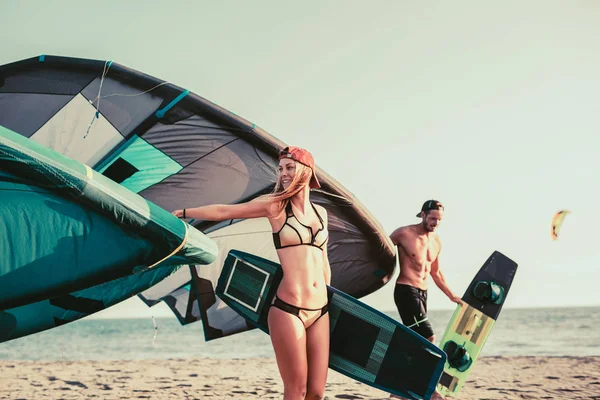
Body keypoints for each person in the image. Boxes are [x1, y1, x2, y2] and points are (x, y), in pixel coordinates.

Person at [172, 146, 331, 400]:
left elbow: (323, 261)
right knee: (296, 390)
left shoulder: (321, 214)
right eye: (280, 169)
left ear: (306, 171)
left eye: (290, 167)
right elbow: (226, 211)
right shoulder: (276, 207)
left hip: (320, 311)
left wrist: (330, 299)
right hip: (289, 309)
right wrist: (184, 213)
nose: (284, 174)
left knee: (316, 393)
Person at [389, 200, 462, 400]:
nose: (435, 223)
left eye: (439, 220)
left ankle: (400, 390)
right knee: (428, 337)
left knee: (416, 342)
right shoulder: (403, 234)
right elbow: (380, 251)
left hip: (423, 293)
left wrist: (451, 295)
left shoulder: (436, 242)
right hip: (406, 290)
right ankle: (431, 389)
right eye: (432, 218)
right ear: (422, 215)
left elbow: (436, 273)